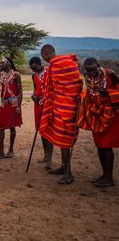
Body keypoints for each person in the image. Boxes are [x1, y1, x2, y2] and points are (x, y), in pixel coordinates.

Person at [39, 45, 83, 185]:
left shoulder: (58, 65)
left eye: (43, 56)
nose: (43, 59)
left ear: (45, 53)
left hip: (67, 108)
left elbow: (75, 85)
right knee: (61, 138)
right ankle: (64, 167)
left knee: (65, 142)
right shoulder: (67, 62)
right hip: (60, 106)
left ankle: (69, 174)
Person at [77, 58, 119, 187]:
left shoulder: (110, 74)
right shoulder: (87, 76)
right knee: (100, 145)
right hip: (97, 116)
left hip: (111, 115)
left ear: (98, 66)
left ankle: (109, 178)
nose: (91, 74)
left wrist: (107, 92)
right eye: (88, 71)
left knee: (106, 145)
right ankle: (105, 175)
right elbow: (90, 91)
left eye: (93, 71)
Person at [0, 57, 23, 159]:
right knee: (1, 127)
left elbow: (20, 91)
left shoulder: (16, 75)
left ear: (8, 63)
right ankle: (1, 152)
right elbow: (1, 90)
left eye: (2, 63)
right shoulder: (2, 75)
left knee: (12, 127)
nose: (0, 65)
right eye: (0, 63)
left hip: (13, 105)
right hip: (4, 104)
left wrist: (18, 106)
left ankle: (11, 150)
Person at [29, 56, 53, 170]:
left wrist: (46, 99)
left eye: (36, 68)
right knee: (42, 130)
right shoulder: (34, 75)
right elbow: (35, 90)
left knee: (48, 130)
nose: (35, 70)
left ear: (40, 64)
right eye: (33, 69)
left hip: (48, 104)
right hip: (38, 105)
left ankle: (49, 160)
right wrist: (34, 96)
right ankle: (46, 155)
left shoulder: (49, 71)